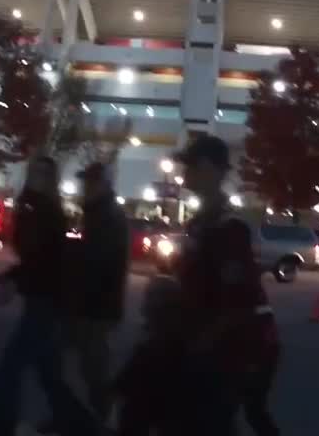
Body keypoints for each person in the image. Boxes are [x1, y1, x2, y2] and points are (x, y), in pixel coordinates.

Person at [0, 157, 97, 436]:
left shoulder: (47, 211)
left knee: (11, 367)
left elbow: (43, 260)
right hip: (42, 297)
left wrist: (13, 279)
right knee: (47, 372)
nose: (36, 177)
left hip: (46, 301)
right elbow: (34, 258)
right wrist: (11, 276)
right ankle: (79, 423)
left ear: (51, 178)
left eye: (43, 173)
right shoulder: (32, 207)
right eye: (34, 171)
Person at [176, 134, 279, 436]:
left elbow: (238, 302)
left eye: (190, 167)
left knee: (221, 418)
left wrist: (202, 343)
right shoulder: (199, 225)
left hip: (240, 347)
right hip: (216, 344)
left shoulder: (229, 228)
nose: (184, 175)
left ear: (209, 169)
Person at [54, 161, 128, 428]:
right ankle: (81, 416)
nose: (86, 187)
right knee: (83, 366)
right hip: (93, 305)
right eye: (86, 181)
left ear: (103, 185)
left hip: (95, 307)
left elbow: (96, 262)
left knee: (92, 369)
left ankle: (99, 420)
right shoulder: (98, 213)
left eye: (91, 182)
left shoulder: (106, 216)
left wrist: (69, 256)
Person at [115, 276, 198, 436]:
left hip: (157, 411)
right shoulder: (173, 343)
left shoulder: (157, 347)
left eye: (149, 297)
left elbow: (126, 386)